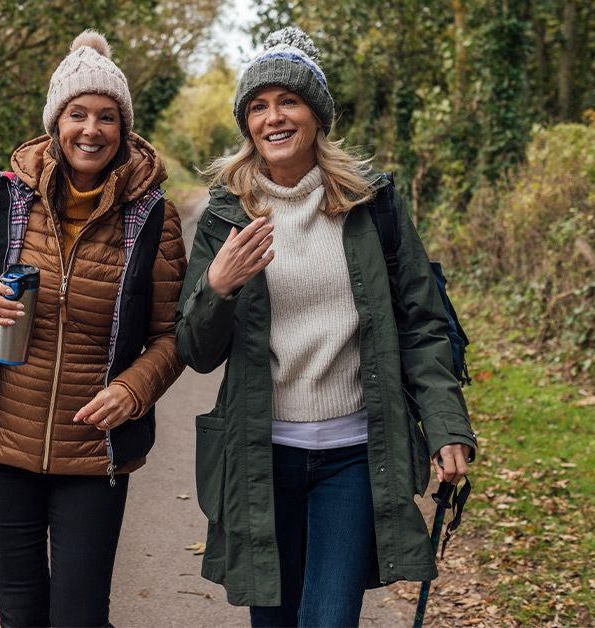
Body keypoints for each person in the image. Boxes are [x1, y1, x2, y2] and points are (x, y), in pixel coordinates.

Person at [175, 27, 477, 628]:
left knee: (329, 619)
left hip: (355, 457)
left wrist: (446, 425)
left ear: (317, 114)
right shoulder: (225, 215)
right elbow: (196, 350)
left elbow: (421, 326)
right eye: (258, 107)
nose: (273, 117)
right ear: (246, 125)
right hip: (262, 456)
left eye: (287, 101)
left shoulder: (373, 204)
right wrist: (219, 286)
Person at [0, 30, 186, 627]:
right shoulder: (9, 198)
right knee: (21, 616)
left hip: (94, 453)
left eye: (105, 117)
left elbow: (172, 335)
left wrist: (133, 389)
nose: (90, 130)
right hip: (0, 442)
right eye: (77, 114)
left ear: (123, 130)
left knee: (80, 618)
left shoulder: (153, 217)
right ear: (55, 123)